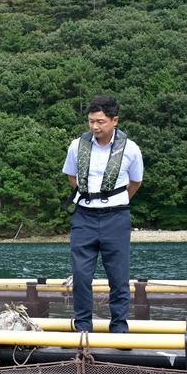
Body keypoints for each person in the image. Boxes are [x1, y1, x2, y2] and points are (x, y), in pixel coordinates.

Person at [63, 95, 144, 334]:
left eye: (100, 121)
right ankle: (83, 326)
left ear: (114, 120)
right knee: (80, 274)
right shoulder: (77, 145)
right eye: (91, 121)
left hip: (116, 217)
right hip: (84, 216)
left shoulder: (130, 149)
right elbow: (71, 177)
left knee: (118, 276)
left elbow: (136, 181)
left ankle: (119, 327)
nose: (95, 127)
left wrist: (117, 201)